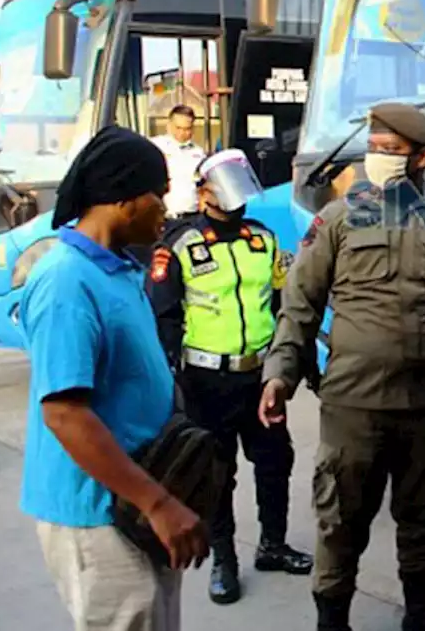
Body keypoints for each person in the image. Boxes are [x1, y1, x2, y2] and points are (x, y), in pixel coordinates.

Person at [260, 102, 425, 631]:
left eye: (392, 151)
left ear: (422, 158)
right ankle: (332, 618)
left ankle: (422, 610)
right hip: (354, 403)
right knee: (341, 516)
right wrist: (280, 374)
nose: (378, 159)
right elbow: (300, 303)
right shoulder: (337, 218)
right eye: (375, 149)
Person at [19, 125, 209, 631]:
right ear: (125, 198)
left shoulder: (119, 269)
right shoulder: (65, 281)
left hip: (139, 501)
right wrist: (159, 502)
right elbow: (64, 412)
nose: (166, 210)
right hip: (98, 511)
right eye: (160, 196)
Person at [148, 149, 312, 605]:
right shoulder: (178, 243)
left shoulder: (262, 239)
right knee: (217, 473)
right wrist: (172, 381)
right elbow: (163, 315)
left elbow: (284, 307)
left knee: (276, 461)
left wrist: (297, 365)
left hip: (261, 377)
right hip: (206, 382)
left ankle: (272, 545)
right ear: (203, 192)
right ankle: (224, 559)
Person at [151, 105, 207, 220]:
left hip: (192, 216)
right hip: (165, 217)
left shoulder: (199, 153)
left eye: (187, 129)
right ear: (169, 125)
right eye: (178, 128)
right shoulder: (155, 147)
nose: (182, 133)